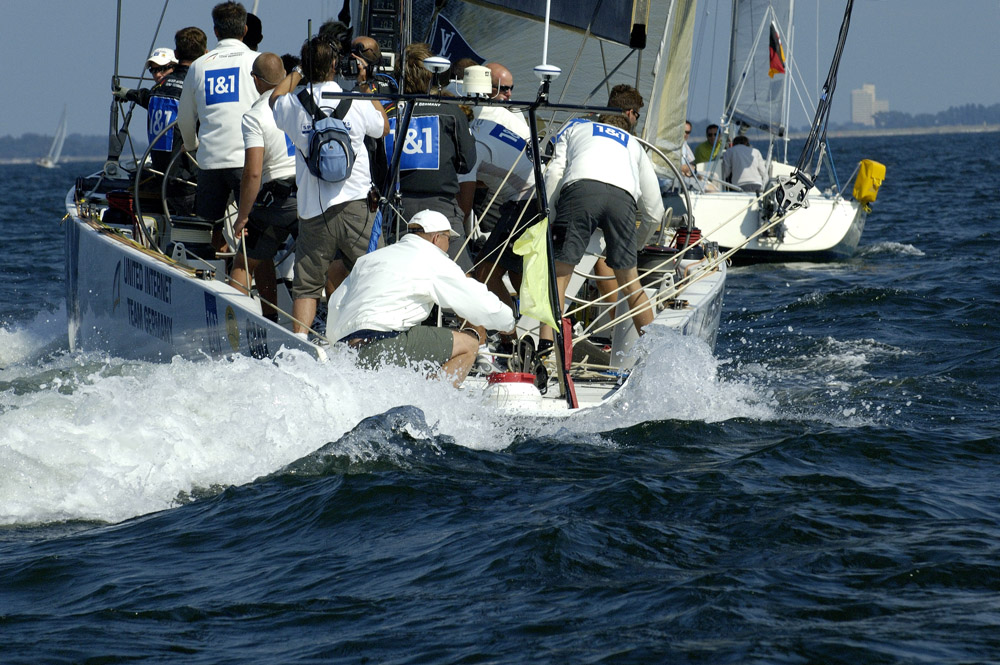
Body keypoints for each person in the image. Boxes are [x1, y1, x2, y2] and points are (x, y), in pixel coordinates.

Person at [270, 36, 389, 337]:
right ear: (337, 64)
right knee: (375, 275)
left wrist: (297, 71)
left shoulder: (294, 104)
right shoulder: (356, 101)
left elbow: (273, 99)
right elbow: (383, 127)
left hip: (313, 209)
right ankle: (375, 341)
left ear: (307, 67)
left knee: (307, 286)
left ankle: (300, 342)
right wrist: (367, 87)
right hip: (358, 207)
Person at [327, 210, 516, 387]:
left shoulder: (370, 259)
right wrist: (507, 324)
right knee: (469, 344)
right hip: (383, 344)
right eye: (448, 239)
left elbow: (337, 302)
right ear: (436, 238)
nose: (448, 247)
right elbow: (477, 300)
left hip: (346, 350)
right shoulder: (432, 259)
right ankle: (430, 407)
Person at [545, 92, 665, 342]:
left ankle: (545, 348)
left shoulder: (576, 129)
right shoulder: (635, 145)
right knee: (631, 284)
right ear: (629, 116)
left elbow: (554, 173)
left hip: (580, 193)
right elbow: (655, 212)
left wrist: (550, 216)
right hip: (623, 200)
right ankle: (655, 351)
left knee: (559, 276)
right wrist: (637, 245)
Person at [177, 2, 260, 249]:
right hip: (248, 160)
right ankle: (248, 272)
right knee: (256, 229)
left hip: (210, 161)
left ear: (215, 31)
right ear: (245, 30)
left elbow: (185, 118)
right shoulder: (257, 61)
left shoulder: (199, 66)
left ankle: (214, 270)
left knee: (209, 226)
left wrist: (192, 146)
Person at [392, 43, 478, 272]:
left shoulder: (388, 111)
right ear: (432, 73)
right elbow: (466, 163)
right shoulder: (450, 111)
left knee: (398, 274)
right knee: (463, 280)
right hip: (441, 207)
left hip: (397, 209)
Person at [229, 53, 297, 321]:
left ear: (256, 80)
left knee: (246, 260)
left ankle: (236, 326)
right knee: (317, 267)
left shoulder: (255, 116)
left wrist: (243, 216)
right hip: (310, 198)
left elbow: (253, 172)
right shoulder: (302, 103)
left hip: (277, 201)